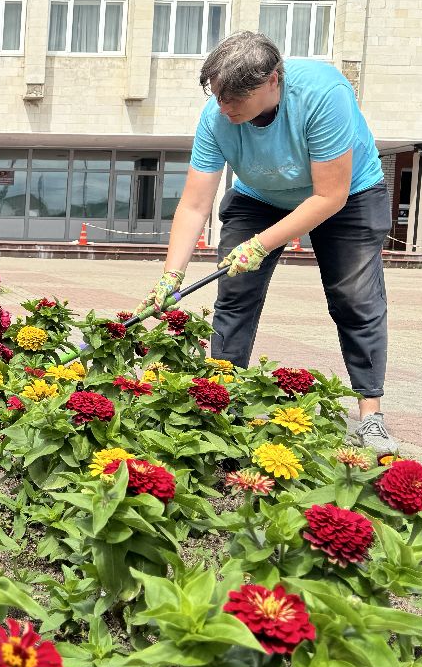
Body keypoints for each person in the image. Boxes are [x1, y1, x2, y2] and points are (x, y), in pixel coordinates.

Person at [140, 31, 396, 455]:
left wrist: (260, 245)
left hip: (348, 196)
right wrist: (172, 275)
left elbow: (329, 196)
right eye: (218, 96)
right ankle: (221, 398)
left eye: (235, 98)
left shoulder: (323, 95)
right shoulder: (216, 116)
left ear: (273, 80)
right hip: (260, 196)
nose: (224, 108)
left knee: (354, 298)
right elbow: (194, 203)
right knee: (235, 293)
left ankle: (371, 414)